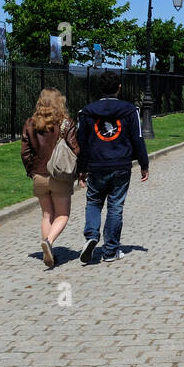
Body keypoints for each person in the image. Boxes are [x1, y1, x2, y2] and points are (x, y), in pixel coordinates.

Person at [75, 71, 149, 265]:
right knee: (115, 206)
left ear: (100, 88)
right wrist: (144, 164)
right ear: (119, 88)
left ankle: (91, 235)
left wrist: (81, 170)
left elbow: (81, 143)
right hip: (121, 164)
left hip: (96, 164)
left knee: (93, 202)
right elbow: (137, 138)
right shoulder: (129, 110)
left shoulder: (87, 112)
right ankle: (110, 250)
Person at [21, 88, 80, 269]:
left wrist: (32, 171)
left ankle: (49, 250)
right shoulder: (65, 123)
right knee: (62, 215)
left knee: (47, 214)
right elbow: (75, 149)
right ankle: (49, 241)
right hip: (59, 175)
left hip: (39, 175)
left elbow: (25, 153)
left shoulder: (30, 124)